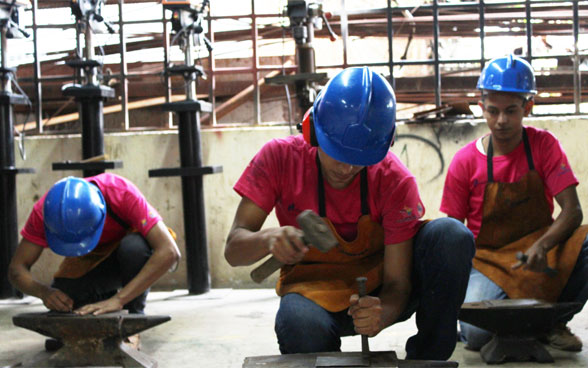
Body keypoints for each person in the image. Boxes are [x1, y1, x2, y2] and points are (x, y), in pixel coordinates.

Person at [224, 66, 475, 360]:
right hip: (313, 290)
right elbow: (233, 251)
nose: (347, 168)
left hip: (379, 290)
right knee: (299, 325)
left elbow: (398, 283)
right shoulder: (278, 159)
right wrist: (267, 238)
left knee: (451, 236)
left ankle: (427, 361)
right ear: (312, 129)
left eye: (360, 159)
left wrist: (384, 313)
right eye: (338, 152)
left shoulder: (395, 180)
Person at [440, 54, 588, 352]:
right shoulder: (466, 161)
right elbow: (451, 235)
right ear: (481, 107)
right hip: (487, 262)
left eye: (511, 110)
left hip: (540, 251)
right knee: (478, 335)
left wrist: (543, 246)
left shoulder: (544, 145)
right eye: (492, 111)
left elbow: (572, 212)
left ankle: (553, 321)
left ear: (527, 107)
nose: (501, 121)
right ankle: (530, 319)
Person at [8, 174, 181, 347]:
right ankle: (106, 299)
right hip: (91, 261)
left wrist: (119, 300)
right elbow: (17, 269)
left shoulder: (121, 193)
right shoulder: (45, 213)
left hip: (128, 257)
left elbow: (169, 252)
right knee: (64, 299)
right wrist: (44, 292)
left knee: (134, 247)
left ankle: (133, 319)